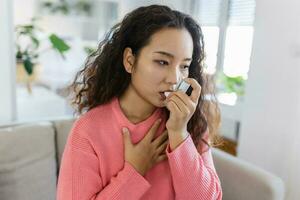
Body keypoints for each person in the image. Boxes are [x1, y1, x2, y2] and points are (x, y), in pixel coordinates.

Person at [57, 4, 222, 200]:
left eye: (184, 66)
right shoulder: (88, 130)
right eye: (162, 62)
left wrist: (179, 133)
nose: (175, 79)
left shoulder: (190, 122)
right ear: (129, 61)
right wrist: (134, 171)